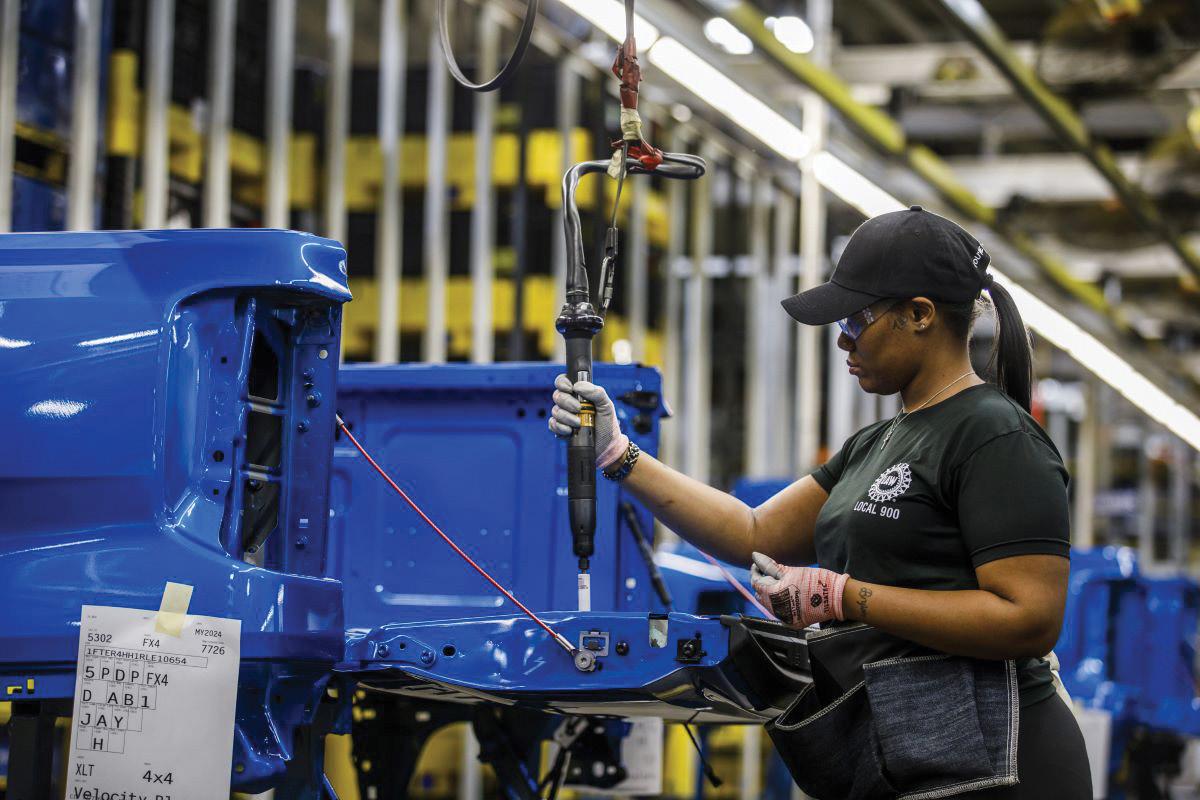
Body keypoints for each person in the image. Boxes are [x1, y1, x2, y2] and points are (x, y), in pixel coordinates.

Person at [548, 205, 1092, 799]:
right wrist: (619, 454)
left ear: (920, 314)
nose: (842, 338)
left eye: (857, 319)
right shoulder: (878, 441)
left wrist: (843, 597)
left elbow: (1029, 619)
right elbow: (753, 532)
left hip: (1000, 762)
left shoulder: (995, 434)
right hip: (912, 751)